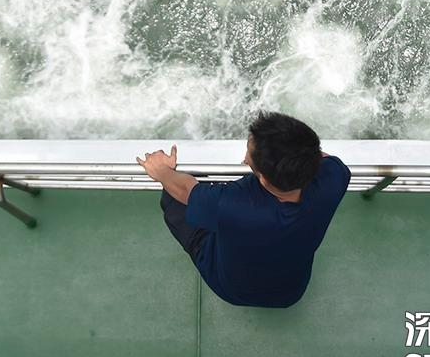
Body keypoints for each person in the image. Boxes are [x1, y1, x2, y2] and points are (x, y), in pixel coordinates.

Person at [136, 111, 352, 308]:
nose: (245, 158)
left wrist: (162, 171)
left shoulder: (232, 204)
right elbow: (323, 158)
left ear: (264, 179)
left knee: (173, 199)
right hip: (290, 292)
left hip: (231, 290)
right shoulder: (334, 178)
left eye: (249, 156)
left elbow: (185, 190)